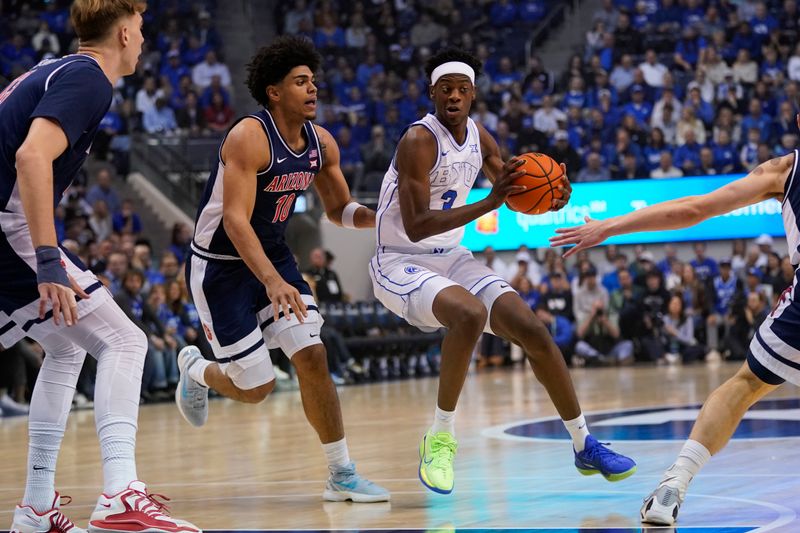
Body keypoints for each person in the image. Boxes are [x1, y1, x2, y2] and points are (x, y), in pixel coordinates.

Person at [369, 48, 635, 495]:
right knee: (469, 314)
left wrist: (553, 195)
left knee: (532, 329)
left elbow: (513, 188)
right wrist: (488, 204)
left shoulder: (480, 137)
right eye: (445, 89)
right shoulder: (417, 140)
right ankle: (440, 436)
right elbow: (415, 225)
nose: (454, 96)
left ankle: (583, 442)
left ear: (473, 95)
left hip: (452, 258)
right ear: (431, 93)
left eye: (462, 89)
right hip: (400, 260)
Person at [0, 1, 199, 532]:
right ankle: (120, 495)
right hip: (6, 226)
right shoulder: (90, 78)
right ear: (125, 31)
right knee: (125, 342)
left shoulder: (54, 71)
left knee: (65, 345)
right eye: (141, 28)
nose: (144, 39)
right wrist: (47, 260)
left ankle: (36, 508)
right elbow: (30, 158)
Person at [550, 115, 800, 526]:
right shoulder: (781, 171)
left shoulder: (783, 170)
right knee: (746, 384)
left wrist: (609, 226)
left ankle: (673, 485)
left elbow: (695, 209)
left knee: (746, 385)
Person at [176, 36, 388, 503]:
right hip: (219, 268)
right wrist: (271, 282)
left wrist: (381, 218)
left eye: (313, 81)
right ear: (274, 92)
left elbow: (339, 210)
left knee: (312, 355)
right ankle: (196, 370)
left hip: (273, 258)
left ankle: (342, 474)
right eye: (300, 82)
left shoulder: (320, 143)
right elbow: (233, 220)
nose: (312, 89)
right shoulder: (249, 136)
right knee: (258, 388)